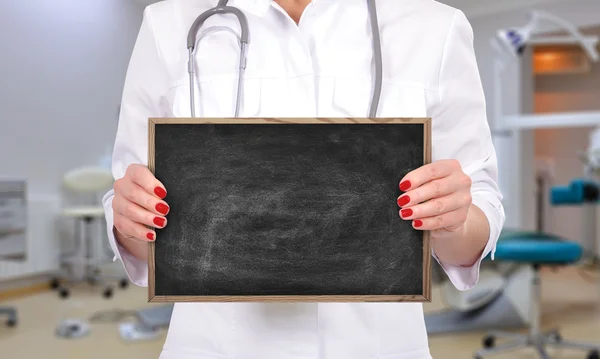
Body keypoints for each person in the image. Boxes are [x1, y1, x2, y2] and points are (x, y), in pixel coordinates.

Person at [102, 0, 505, 358]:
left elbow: (476, 217)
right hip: (217, 344)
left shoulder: (435, 28)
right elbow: (133, 217)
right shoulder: (168, 24)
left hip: (376, 345)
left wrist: (451, 219)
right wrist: (134, 218)